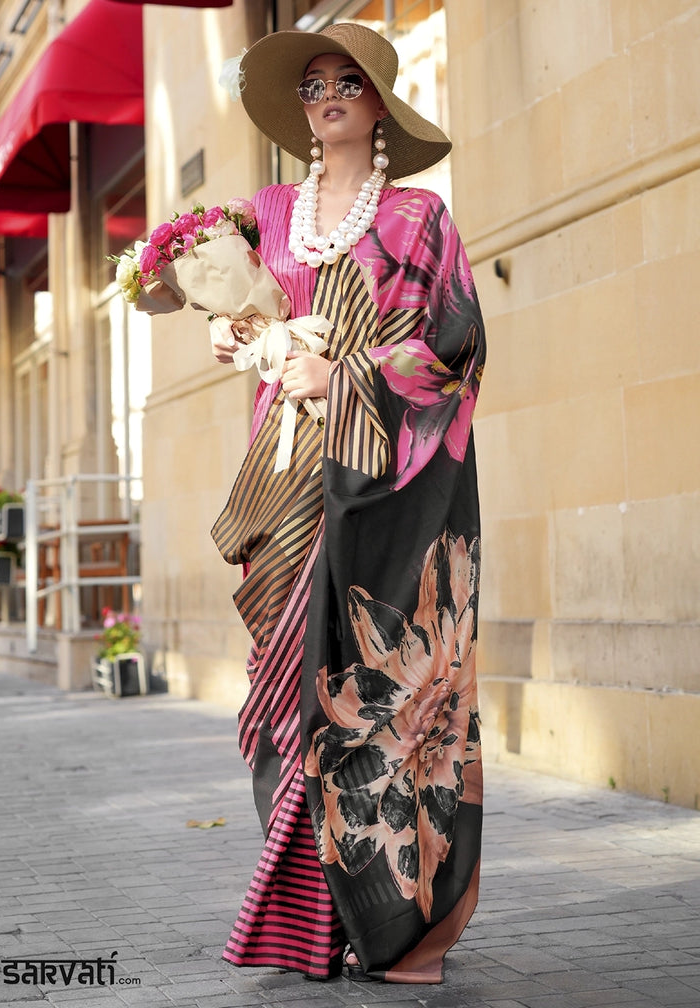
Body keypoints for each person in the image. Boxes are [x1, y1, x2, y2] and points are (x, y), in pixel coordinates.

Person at [209, 21, 486, 985]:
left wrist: (345, 375)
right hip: (281, 484)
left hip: (381, 490)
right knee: (285, 698)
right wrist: (240, 340)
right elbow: (248, 312)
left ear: (378, 102)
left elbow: (450, 350)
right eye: (312, 85)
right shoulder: (266, 210)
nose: (325, 96)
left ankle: (404, 931)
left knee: (379, 693)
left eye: (345, 81)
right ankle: (308, 926)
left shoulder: (417, 218)